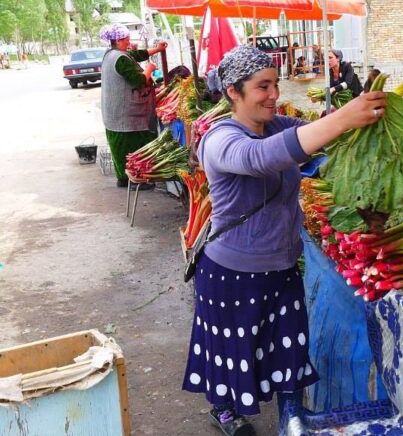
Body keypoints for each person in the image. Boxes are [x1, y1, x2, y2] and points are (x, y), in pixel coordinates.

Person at [182, 45, 386, 436]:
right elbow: (261, 158)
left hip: (282, 266)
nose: (274, 94)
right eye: (263, 86)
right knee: (232, 351)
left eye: (275, 84)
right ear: (233, 93)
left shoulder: (278, 127)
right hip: (231, 272)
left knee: (286, 350)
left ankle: (290, 416)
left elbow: (315, 150)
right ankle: (223, 410)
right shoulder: (220, 139)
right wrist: (344, 118)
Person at [99, 24, 167, 188]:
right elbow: (138, 80)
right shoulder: (119, 59)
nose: (129, 42)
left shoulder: (112, 54)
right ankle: (137, 180)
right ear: (117, 41)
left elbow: (135, 55)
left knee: (120, 149)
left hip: (114, 114)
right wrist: (149, 69)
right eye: (126, 39)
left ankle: (123, 178)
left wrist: (156, 50)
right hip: (126, 114)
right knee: (134, 147)